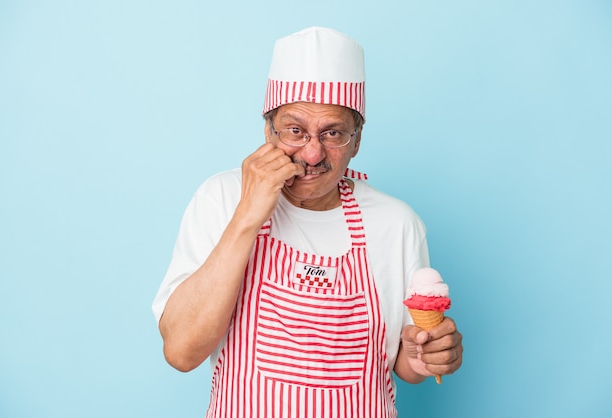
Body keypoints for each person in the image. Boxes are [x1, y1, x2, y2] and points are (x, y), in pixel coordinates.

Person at [152, 26, 463, 417]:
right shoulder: (222, 198)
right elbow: (181, 351)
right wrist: (248, 213)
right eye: (295, 131)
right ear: (268, 130)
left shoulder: (397, 224)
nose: (312, 154)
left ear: (357, 140)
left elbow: (401, 360)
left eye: (333, 133)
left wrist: (423, 358)